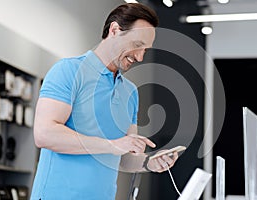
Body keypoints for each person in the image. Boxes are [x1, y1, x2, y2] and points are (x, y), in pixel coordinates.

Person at [30, 3, 179, 200]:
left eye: (145, 50)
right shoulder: (68, 71)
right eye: (137, 45)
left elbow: (123, 157)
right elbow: (44, 134)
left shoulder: (130, 92)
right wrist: (111, 145)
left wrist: (149, 162)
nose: (140, 56)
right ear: (115, 30)